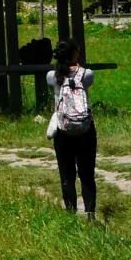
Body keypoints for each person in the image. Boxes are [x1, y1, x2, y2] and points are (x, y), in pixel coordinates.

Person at [46, 39, 96, 220]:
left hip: (63, 129)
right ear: (75, 54)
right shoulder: (87, 74)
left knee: (67, 175)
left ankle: (70, 214)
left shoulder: (52, 76)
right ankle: (90, 214)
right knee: (87, 174)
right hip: (85, 129)